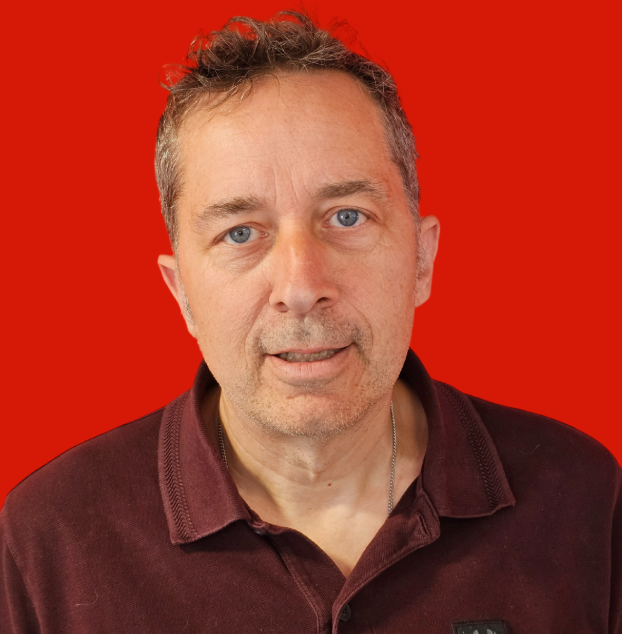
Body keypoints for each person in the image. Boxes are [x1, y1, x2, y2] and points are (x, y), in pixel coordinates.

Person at [1, 11, 620, 634]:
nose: (301, 287)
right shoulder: (45, 541)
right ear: (181, 292)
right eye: (240, 232)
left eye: (347, 217)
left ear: (422, 259)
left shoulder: (584, 501)